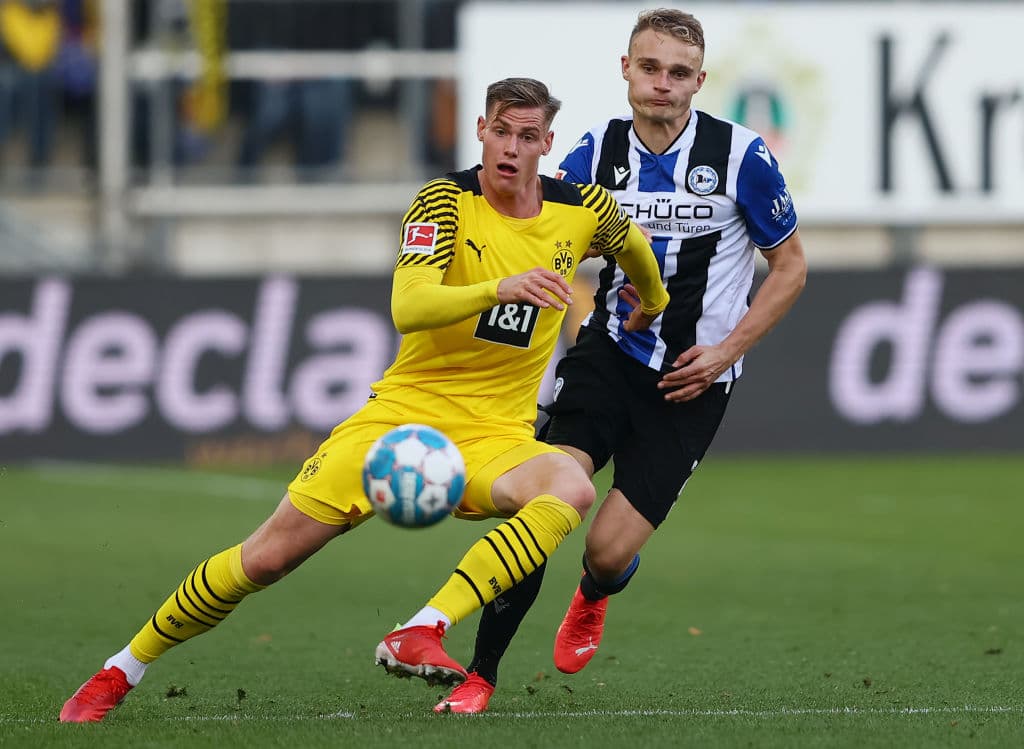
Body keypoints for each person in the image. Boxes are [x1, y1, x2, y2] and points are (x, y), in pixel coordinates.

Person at [58, 76, 670, 723]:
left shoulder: (582, 208)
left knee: (570, 486)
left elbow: (634, 248)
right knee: (264, 557)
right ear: (481, 132)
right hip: (398, 420)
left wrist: (650, 302)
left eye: (526, 135)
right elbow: (408, 305)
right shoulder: (443, 203)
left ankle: (421, 628)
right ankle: (120, 669)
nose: (510, 147)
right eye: (500, 130)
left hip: (495, 435)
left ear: (547, 142)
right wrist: (500, 287)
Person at [435, 8, 807, 714]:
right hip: (608, 358)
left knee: (605, 550)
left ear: (700, 80)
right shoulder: (595, 151)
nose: (661, 84)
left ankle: (596, 590)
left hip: (693, 382)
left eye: (677, 73)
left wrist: (725, 351)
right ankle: (480, 674)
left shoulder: (741, 156)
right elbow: (547, 227)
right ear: (626, 70)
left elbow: (789, 268)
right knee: (546, 504)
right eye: (649, 67)